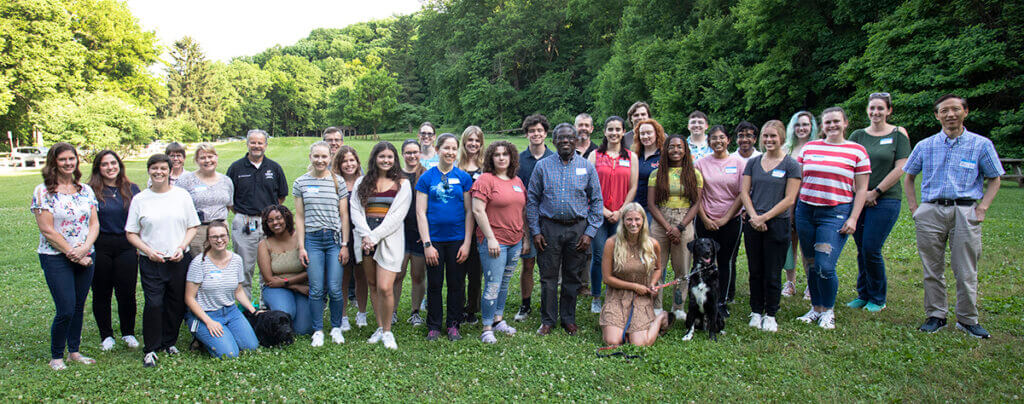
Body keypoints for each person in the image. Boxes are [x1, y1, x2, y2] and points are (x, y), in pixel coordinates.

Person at [904, 94, 1003, 339]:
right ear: (937, 115)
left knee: (966, 268)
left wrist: (982, 208)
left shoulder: (981, 145)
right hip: (931, 210)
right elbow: (909, 176)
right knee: (931, 267)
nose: (950, 114)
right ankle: (936, 315)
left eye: (955, 109)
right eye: (944, 111)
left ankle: (968, 320)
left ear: (965, 112)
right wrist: (915, 208)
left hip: (965, 211)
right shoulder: (925, 145)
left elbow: (995, 178)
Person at [794, 107, 870, 330]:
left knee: (825, 265)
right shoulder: (810, 147)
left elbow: (862, 189)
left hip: (835, 213)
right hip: (806, 211)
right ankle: (815, 308)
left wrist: (853, 218)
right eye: (827, 122)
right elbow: (797, 181)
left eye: (836, 121)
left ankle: (828, 310)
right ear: (822, 125)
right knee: (809, 263)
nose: (832, 125)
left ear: (845, 123)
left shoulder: (857, 151)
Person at [527, 123, 603, 336]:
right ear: (554, 141)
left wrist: (590, 232)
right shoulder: (542, 166)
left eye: (570, 137)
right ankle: (548, 320)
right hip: (549, 228)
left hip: (577, 229)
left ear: (576, 140)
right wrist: (535, 231)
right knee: (548, 277)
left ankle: (568, 318)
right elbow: (532, 199)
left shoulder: (586, 167)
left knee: (572, 277)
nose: (566, 141)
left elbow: (597, 200)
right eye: (561, 138)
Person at [126, 153, 200, 367]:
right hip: (152, 261)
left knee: (175, 303)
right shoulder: (140, 199)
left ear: (170, 171)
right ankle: (151, 348)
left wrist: (182, 247)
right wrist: (147, 251)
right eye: (154, 168)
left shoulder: (182, 196)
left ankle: (169, 341)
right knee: (154, 303)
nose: (159, 172)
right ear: (149, 170)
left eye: (163, 168)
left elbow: (192, 226)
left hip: (178, 258)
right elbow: (131, 233)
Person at [31, 143, 100, 370]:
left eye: (71, 158)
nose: (68, 163)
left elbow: (94, 224)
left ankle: (74, 351)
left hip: (85, 254)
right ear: (54, 162)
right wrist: (74, 254)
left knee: (79, 306)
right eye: (62, 159)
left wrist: (85, 249)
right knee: (66, 308)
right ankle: (56, 356)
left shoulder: (85, 190)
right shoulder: (43, 191)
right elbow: (48, 230)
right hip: (56, 257)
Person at [847, 93, 911, 312]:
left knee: (872, 248)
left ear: (889, 110)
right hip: (859, 199)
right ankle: (863, 294)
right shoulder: (857, 135)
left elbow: (901, 167)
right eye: (872, 108)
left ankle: (877, 297)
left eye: (880, 109)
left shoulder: (898, 134)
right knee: (861, 247)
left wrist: (876, 192)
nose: (875, 113)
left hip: (886, 199)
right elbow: (849, 166)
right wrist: (861, 194)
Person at [739, 120, 801, 332]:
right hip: (753, 224)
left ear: (782, 138)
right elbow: (745, 192)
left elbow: (789, 199)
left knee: (773, 272)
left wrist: (764, 218)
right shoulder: (754, 162)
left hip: (777, 224)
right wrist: (755, 217)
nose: (769, 140)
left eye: (773, 136)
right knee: (755, 270)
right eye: (766, 136)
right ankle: (756, 310)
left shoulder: (791, 165)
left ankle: (771, 313)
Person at [351, 141, 412, 350]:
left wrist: (375, 236)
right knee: (373, 285)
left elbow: (397, 217)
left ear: (395, 160)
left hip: (388, 239)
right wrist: (366, 236)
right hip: (365, 239)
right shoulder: (362, 182)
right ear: (374, 158)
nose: (386, 160)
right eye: (381, 157)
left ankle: (387, 331)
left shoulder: (402, 184)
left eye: (390, 157)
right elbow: (356, 211)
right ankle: (379, 327)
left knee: (386, 287)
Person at [417, 134, 475, 341]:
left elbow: (470, 212)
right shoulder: (426, 178)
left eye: (453, 148)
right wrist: (427, 244)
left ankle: (453, 324)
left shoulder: (464, 178)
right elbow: (420, 212)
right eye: (446, 148)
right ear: (438, 149)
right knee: (434, 283)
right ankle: (433, 325)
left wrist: (467, 242)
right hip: (434, 241)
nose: (450, 152)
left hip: (458, 239)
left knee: (456, 283)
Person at [294, 141, 350, 347]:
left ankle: (336, 327)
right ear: (310, 157)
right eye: (316, 156)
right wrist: (301, 246)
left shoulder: (338, 182)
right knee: (316, 289)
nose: (320, 160)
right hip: (313, 240)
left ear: (330, 158)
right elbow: (299, 217)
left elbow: (344, 215)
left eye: (324, 157)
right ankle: (318, 330)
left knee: (335, 288)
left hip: (334, 240)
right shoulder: (301, 183)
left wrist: (345, 244)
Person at [471, 141, 526, 343]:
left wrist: (524, 237)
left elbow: (522, 210)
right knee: (493, 284)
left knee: (504, 283)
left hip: (515, 241)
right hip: (494, 242)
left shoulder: (517, 181)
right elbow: (478, 210)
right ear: (490, 158)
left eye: (505, 154)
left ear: (511, 157)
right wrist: (491, 238)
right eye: (497, 154)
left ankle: (498, 319)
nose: (501, 158)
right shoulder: (485, 180)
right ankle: (486, 327)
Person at [87, 150, 141, 351]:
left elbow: (140, 219)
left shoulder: (132, 189)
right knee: (101, 292)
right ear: (98, 168)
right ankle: (106, 335)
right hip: (100, 246)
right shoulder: (89, 191)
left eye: (113, 163)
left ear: (119, 165)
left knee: (126, 292)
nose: (110, 167)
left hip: (126, 246)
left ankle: (128, 332)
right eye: (104, 164)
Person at [226, 129, 288, 300]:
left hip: (270, 223)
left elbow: (281, 195)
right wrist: (245, 213)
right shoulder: (236, 168)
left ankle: (266, 303)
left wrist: (269, 216)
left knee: (270, 266)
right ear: (247, 144)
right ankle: (245, 306)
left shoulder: (274, 168)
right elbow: (229, 199)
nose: (256, 146)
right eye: (253, 142)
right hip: (245, 221)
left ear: (266, 145)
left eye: (260, 143)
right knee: (245, 266)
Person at [600, 203, 673, 346]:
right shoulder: (611, 243)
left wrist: (652, 284)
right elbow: (607, 278)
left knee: (640, 343)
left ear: (643, 221)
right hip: (617, 296)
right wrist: (634, 286)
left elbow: (658, 268)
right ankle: (622, 329)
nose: (633, 224)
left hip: (641, 297)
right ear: (623, 221)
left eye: (637, 219)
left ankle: (661, 318)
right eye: (629, 219)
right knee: (612, 341)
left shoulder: (652, 244)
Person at [184, 221, 259, 358]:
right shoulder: (199, 262)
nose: (219, 240)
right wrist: (209, 322)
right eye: (214, 237)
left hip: (230, 311)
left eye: (222, 236)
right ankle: (201, 337)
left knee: (251, 347)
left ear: (228, 237)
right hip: (206, 314)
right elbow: (189, 298)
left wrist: (254, 312)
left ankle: (225, 334)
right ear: (208, 239)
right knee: (229, 354)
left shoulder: (236, 260)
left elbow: (239, 291)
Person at [647, 135, 703, 319]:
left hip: (684, 221)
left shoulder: (694, 174)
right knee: (656, 266)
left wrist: (679, 227)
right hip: (660, 221)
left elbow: (696, 203)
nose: (676, 150)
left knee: (682, 268)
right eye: (671, 147)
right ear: (665, 150)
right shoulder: (656, 174)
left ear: (685, 150)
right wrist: (667, 227)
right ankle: (656, 306)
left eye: (679, 147)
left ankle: (678, 307)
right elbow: (651, 204)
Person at [587, 116, 639, 313]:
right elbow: (589, 188)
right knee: (599, 256)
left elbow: (633, 187)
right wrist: (605, 211)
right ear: (604, 131)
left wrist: (621, 211)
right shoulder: (594, 156)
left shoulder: (630, 157)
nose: (614, 133)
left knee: (619, 256)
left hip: (622, 215)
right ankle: (596, 297)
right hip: (598, 215)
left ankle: (615, 294)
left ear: (623, 131)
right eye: (610, 129)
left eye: (618, 129)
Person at [695, 125, 746, 316]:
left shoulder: (739, 163)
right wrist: (705, 218)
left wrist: (726, 218)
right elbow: (696, 195)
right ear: (709, 142)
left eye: (722, 137)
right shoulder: (700, 164)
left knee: (725, 261)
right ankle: (704, 300)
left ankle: (721, 302)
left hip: (731, 220)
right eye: (714, 138)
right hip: (705, 219)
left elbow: (742, 194)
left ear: (728, 140)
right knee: (704, 262)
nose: (718, 141)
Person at [513, 114, 551, 322]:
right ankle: (525, 304)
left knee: (549, 266)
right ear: (526, 134)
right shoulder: (518, 161)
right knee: (527, 264)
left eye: (539, 131)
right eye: (532, 131)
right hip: (525, 220)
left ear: (545, 133)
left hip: (549, 221)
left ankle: (548, 304)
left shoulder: (553, 158)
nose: (536, 134)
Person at [257, 205, 312, 335]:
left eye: (278, 218)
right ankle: (269, 310)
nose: (275, 223)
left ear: (286, 218)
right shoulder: (264, 244)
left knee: (303, 330)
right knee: (285, 314)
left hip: (301, 286)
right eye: (270, 220)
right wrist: (293, 286)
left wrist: (287, 282)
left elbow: (311, 270)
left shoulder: (301, 237)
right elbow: (269, 279)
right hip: (276, 288)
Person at [782, 111, 820, 298]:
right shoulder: (786, 149)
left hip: (808, 201)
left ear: (812, 126)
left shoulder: (819, 147)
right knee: (789, 245)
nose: (801, 128)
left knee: (808, 245)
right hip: (787, 201)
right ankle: (790, 282)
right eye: (797, 125)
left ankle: (811, 284)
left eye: (805, 124)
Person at [175, 143, 234, 256]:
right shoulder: (185, 181)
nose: (207, 160)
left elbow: (228, 205)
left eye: (210, 156)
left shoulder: (226, 181)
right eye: (202, 158)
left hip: (221, 231)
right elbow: (178, 207)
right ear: (196, 160)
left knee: (219, 263)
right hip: (197, 232)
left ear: (216, 157)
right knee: (199, 265)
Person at [333, 146, 366, 329]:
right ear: (338, 164)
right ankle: (343, 315)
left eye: (352, 160)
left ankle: (362, 313)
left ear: (357, 162)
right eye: (344, 161)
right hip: (341, 235)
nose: (349, 164)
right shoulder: (334, 183)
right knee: (343, 277)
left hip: (360, 234)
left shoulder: (364, 182)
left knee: (361, 275)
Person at [458, 126, 485, 325]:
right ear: (464, 142)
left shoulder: (486, 168)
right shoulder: (456, 166)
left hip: (480, 226)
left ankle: (472, 308)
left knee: (476, 272)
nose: (473, 144)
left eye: (477, 140)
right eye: (470, 140)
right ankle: (457, 307)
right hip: (458, 224)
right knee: (458, 270)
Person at [399, 140, 428, 326]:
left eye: (415, 152)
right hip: (399, 235)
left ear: (420, 153)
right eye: (408, 152)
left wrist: (426, 233)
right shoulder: (396, 176)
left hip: (419, 234)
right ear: (402, 154)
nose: (412, 156)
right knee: (397, 276)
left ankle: (415, 311)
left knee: (418, 276)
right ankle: (392, 311)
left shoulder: (426, 175)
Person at [632, 118, 665, 226]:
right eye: (642, 134)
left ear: (657, 133)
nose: (645, 136)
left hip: (654, 210)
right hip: (635, 207)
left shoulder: (664, 156)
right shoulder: (635, 155)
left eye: (649, 133)